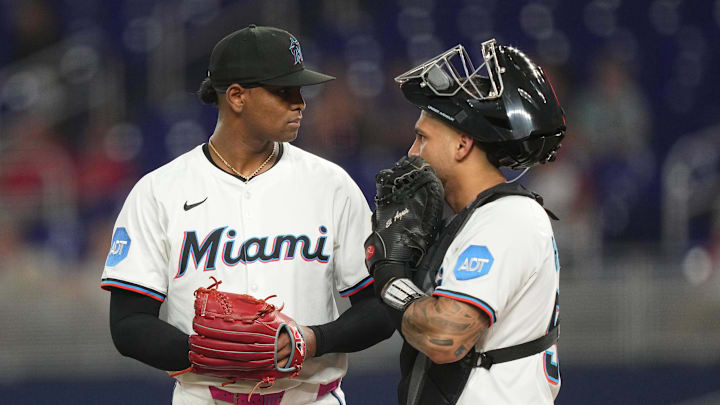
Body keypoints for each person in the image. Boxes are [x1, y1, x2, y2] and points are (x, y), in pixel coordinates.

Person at [101, 24, 394, 405]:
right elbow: (128, 325)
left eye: (300, 90)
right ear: (237, 96)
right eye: (283, 91)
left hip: (308, 398)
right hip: (206, 398)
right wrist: (208, 351)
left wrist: (314, 338)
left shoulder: (331, 184)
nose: (300, 102)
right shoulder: (159, 192)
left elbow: (379, 310)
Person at [364, 39, 566, 404]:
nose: (412, 152)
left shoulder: (507, 219)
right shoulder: (478, 219)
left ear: (462, 145)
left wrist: (391, 277)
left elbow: (445, 338)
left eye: (422, 137)